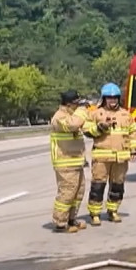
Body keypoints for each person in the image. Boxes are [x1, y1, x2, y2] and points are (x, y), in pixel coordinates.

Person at [85, 82, 136, 225]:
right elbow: (87, 130)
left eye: (115, 98)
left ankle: (113, 211)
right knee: (98, 186)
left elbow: (133, 132)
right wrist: (99, 128)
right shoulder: (96, 113)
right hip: (102, 158)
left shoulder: (125, 114)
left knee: (117, 186)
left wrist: (134, 149)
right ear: (104, 98)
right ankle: (95, 213)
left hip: (120, 158)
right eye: (109, 98)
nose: (112, 100)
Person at [49, 90, 90, 234]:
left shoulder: (72, 115)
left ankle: (72, 219)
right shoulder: (59, 117)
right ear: (68, 104)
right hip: (64, 162)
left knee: (78, 192)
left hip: (76, 161)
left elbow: (85, 127)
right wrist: (82, 111)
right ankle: (60, 223)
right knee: (67, 192)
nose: (78, 106)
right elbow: (72, 125)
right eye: (76, 103)